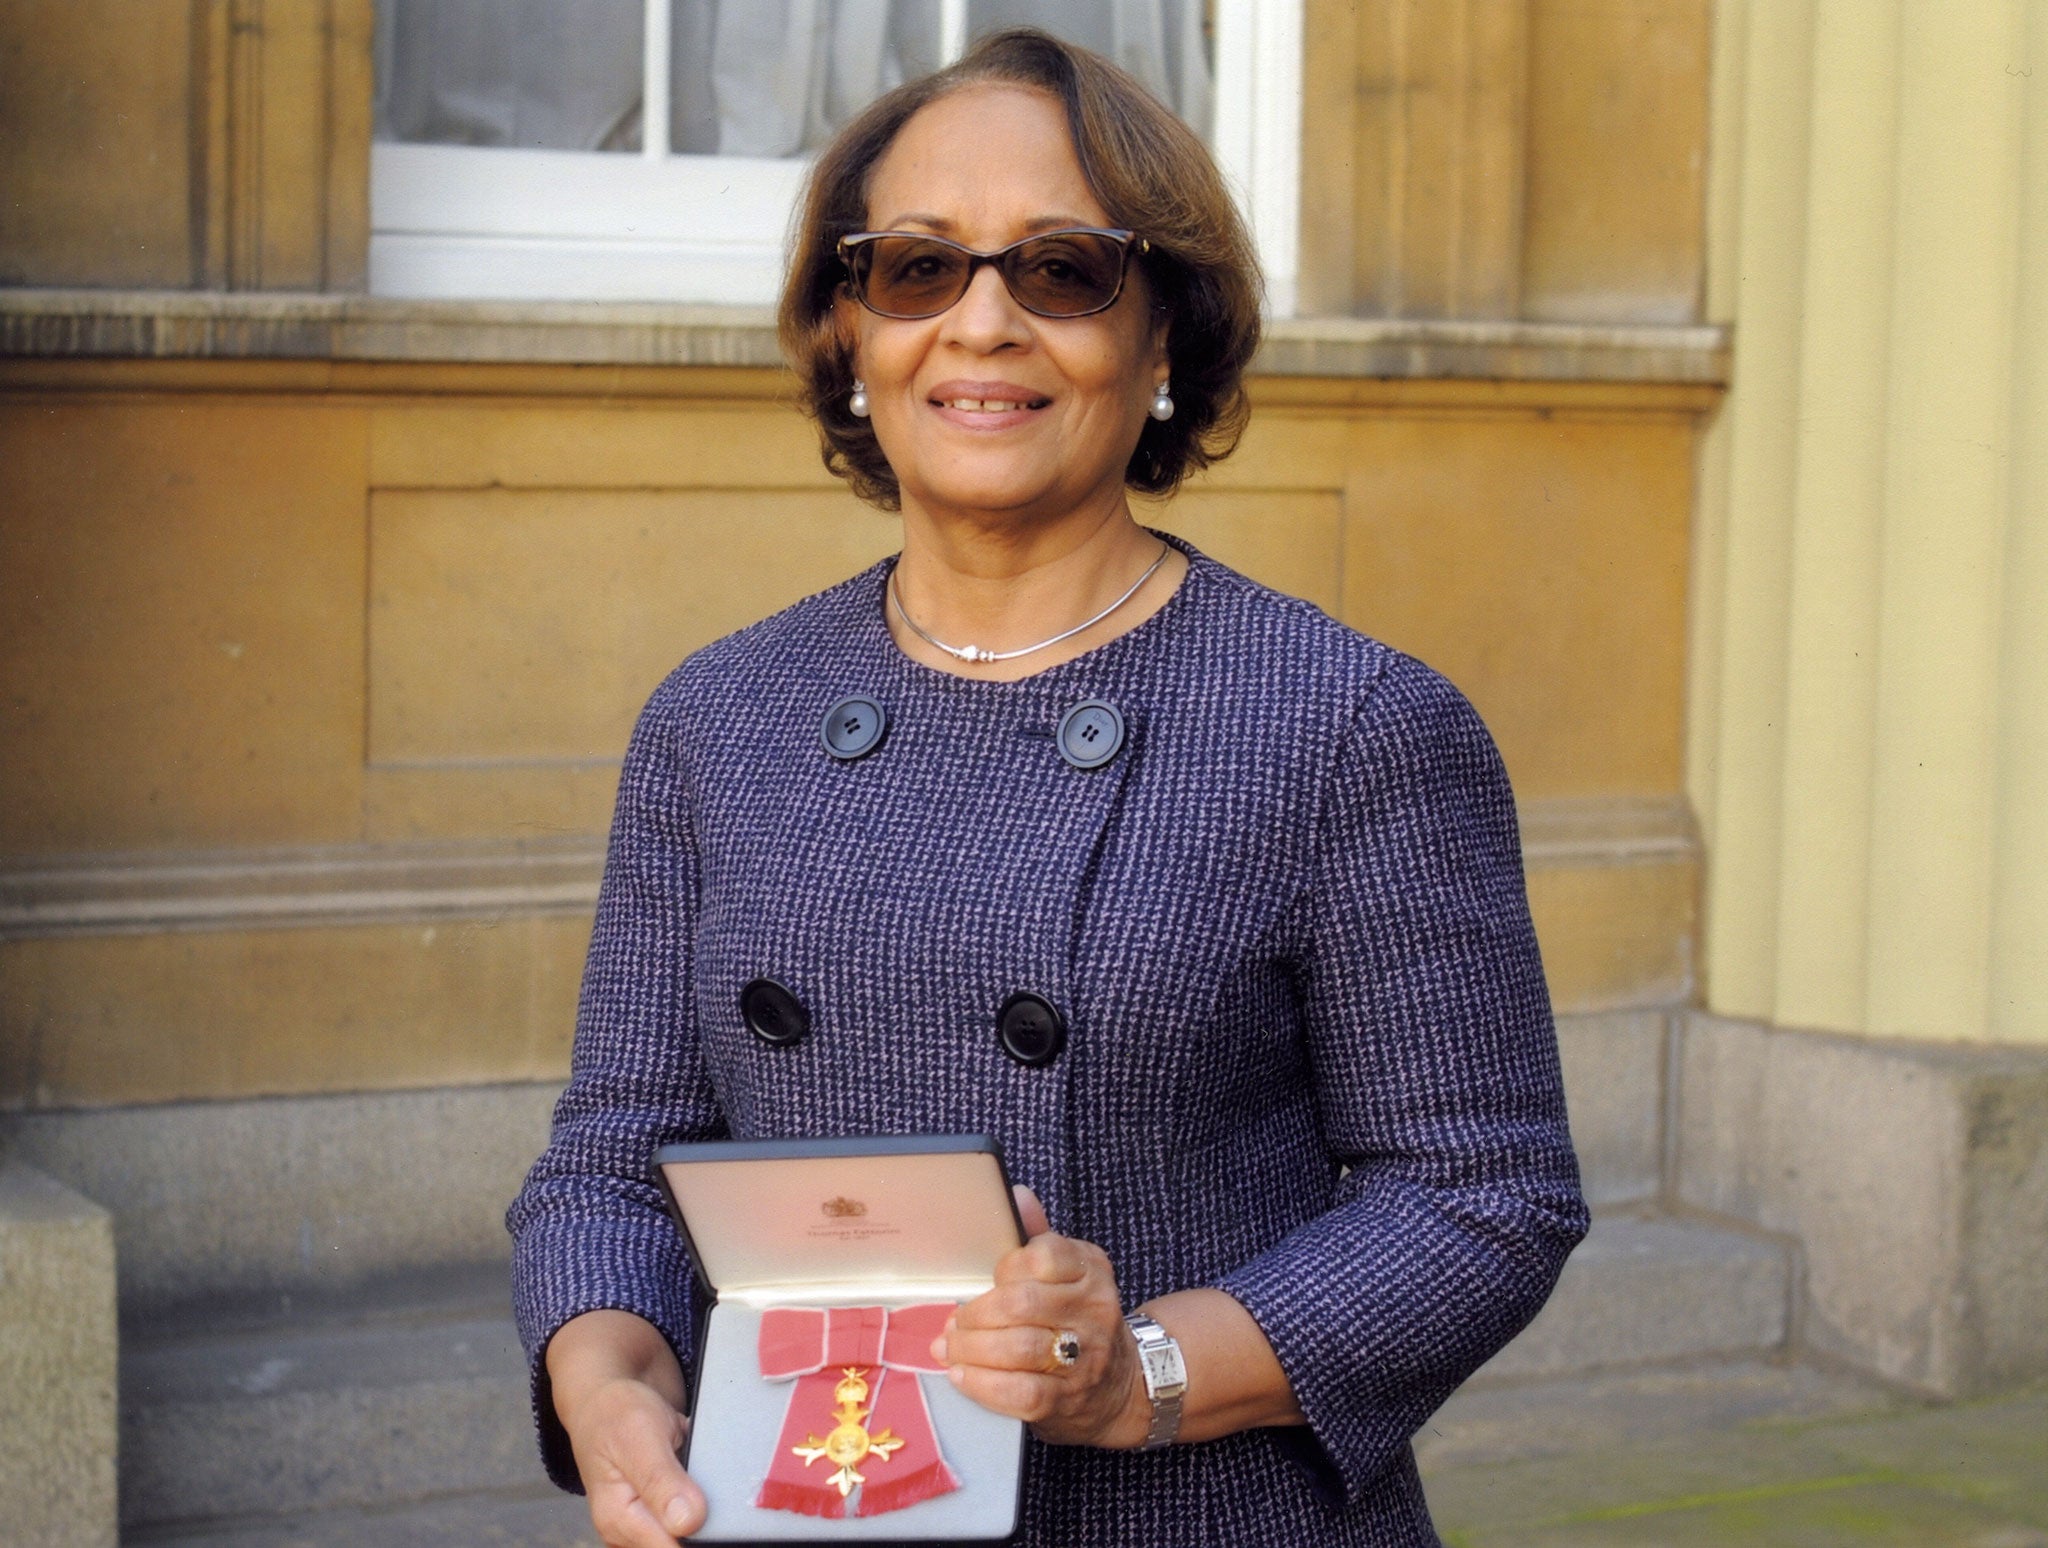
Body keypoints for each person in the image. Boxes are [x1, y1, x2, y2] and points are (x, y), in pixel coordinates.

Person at [509, 27, 1587, 1548]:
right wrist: (606, 1379)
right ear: (851, 334)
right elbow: (617, 1156)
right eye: (916, 270)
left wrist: (1140, 1374)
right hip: (801, 1504)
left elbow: (1481, 1195)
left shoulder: (1348, 722)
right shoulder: (719, 715)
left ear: (1162, 341)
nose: (984, 322)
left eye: (1066, 269)